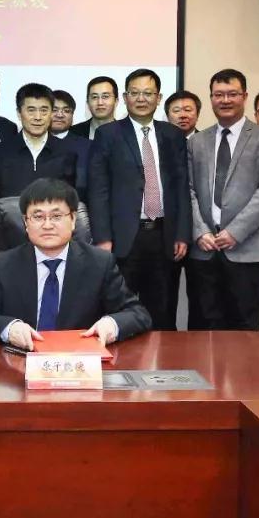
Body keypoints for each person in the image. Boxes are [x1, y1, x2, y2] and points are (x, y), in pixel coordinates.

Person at [0, 178, 152, 349]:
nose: (47, 225)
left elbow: (137, 313)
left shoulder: (100, 263)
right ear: (26, 223)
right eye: (38, 217)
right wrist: (9, 328)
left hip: (79, 362)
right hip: (18, 361)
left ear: (73, 219)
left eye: (56, 216)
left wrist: (111, 324)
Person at [90, 68, 189, 331]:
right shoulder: (108, 134)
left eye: (148, 93)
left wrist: (182, 233)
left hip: (163, 235)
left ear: (159, 98)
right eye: (135, 93)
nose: (141, 99)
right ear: (125, 97)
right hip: (123, 238)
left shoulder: (173, 135)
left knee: (163, 310)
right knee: (119, 310)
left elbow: (181, 187)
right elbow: (99, 189)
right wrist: (103, 237)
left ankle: (162, 357)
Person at [187, 69, 259, 331]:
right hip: (204, 250)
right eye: (219, 95)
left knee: (244, 329)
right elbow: (188, 190)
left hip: (246, 250)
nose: (225, 100)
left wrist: (235, 232)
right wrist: (200, 231)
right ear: (211, 98)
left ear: (245, 96)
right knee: (203, 327)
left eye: (232, 94)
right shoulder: (197, 142)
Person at [0, 83, 77, 199]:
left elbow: (69, 199)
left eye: (44, 110)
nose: (38, 117)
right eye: (31, 110)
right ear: (19, 113)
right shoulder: (0, 152)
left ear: (51, 113)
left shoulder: (66, 152)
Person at [164, 90, 203, 329]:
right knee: (165, 298)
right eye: (176, 110)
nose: (182, 115)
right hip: (168, 233)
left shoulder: (208, 142)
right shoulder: (157, 143)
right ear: (167, 115)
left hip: (202, 234)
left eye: (188, 110)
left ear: (197, 114)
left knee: (200, 298)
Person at [49, 89, 91, 200]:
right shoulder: (35, 145)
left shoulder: (88, 147)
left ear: (72, 115)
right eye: (54, 110)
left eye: (66, 111)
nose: (60, 115)